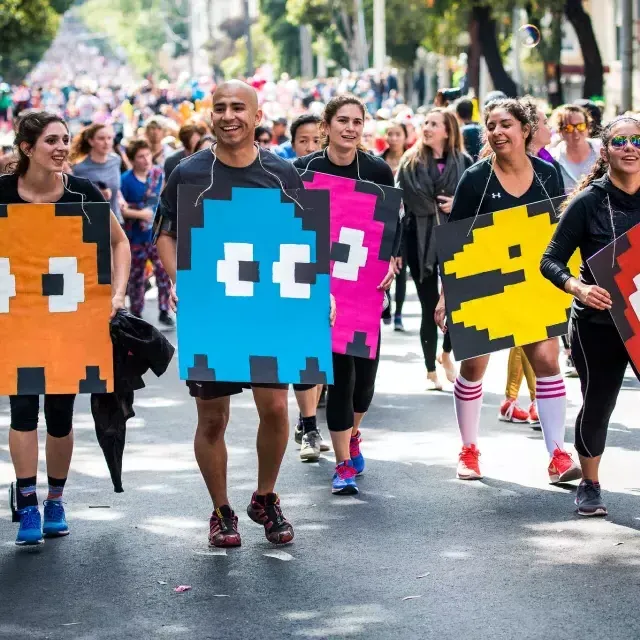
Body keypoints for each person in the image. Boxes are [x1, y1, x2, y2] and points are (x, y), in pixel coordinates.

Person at [156, 80, 320, 547]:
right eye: (221, 108)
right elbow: (164, 235)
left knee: (274, 406)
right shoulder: (188, 173)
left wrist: (318, 290)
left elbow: (302, 237)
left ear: (257, 114)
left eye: (238, 108)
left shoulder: (281, 172)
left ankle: (265, 497)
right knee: (213, 419)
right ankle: (221, 511)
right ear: (211, 115)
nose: (229, 116)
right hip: (212, 310)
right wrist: (180, 280)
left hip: (268, 309)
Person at [435, 98, 581, 483]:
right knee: (474, 365)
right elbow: (454, 240)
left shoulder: (549, 174)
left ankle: (558, 455)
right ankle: (468, 449)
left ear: (525, 130)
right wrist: (445, 296)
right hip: (483, 280)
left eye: (506, 125)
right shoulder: (475, 178)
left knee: (547, 360)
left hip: (533, 281)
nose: (497, 132)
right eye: (491, 126)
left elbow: (558, 230)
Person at [1, 110, 130, 545]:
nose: (60, 148)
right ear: (26, 148)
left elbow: (119, 242)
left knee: (59, 413)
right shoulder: (2, 194)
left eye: (64, 140)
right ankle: (28, 502)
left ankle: (56, 499)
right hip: (17, 323)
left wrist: (116, 294)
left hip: (69, 321)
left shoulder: (81, 192)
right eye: (51, 141)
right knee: (22, 411)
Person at [294, 94, 399, 495]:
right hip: (322, 285)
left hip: (365, 286)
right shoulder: (303, 170)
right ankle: (342, 464)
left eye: (357, 121)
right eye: (343, 120)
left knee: (364, 383)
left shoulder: (376, 169)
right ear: (326, 126)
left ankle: (353, 433)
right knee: (340, 373)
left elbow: (390, 226)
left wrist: (391, 260)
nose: (351, 128)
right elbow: (294, 228)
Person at [541, 116, 640, 516]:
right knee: (599, 403)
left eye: (637, 140)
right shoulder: (588, 202)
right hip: (597, 322)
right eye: (620, 142)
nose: (630, 147)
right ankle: (590, 481)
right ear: (606, 150)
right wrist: (578, 287)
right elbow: (549, 261)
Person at [397, 108, 472, 390]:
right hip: (419, 241)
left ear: (448, 131)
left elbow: (475, 204)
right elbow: (401, 205)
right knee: (430, 305)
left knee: (456, 303)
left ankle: (446, 353)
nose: (427, 127)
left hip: (456, 239)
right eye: (425, 122)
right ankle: (430, 369)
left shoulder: (464, 163)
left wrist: (457, 204)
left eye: (434, 124)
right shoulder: (410, 162)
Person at [120, 139, 173, 328]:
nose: (145, 160)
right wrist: (139, 213)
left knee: (163, 274)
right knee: (136, 277)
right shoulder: (125, 180)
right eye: (140, 156)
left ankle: (164, 310)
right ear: (133, 160)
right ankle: (136, 312)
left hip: (157, 235)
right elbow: (120, 209)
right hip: (135, 237)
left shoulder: (159, 175)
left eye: (148, 155)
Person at [381, 121, 409, 331]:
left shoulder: (411, 161)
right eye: (390, 134)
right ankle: (386, 304)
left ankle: (398, 313)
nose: (393, 138)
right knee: (384, 265)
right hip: (384, 220)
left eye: (397, 134)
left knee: (400, 268)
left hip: (406, 223)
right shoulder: (379, 162)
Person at [70, 123, 123, 223]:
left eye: (109, 138)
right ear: (91, 141)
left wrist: (120, 198)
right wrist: (96, 195)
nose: (106, 142)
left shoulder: (116, 160)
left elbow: (115, 186)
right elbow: (76, 200)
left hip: (116, 220)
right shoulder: (79, 168)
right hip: (93, 223)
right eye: (101, 138)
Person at [551, 104, 601, 194]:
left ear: (588, 127)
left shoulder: (602, 150)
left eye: (580, 126)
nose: (576, 132)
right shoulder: (552, 158)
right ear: (560, 131)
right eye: (569, 128)